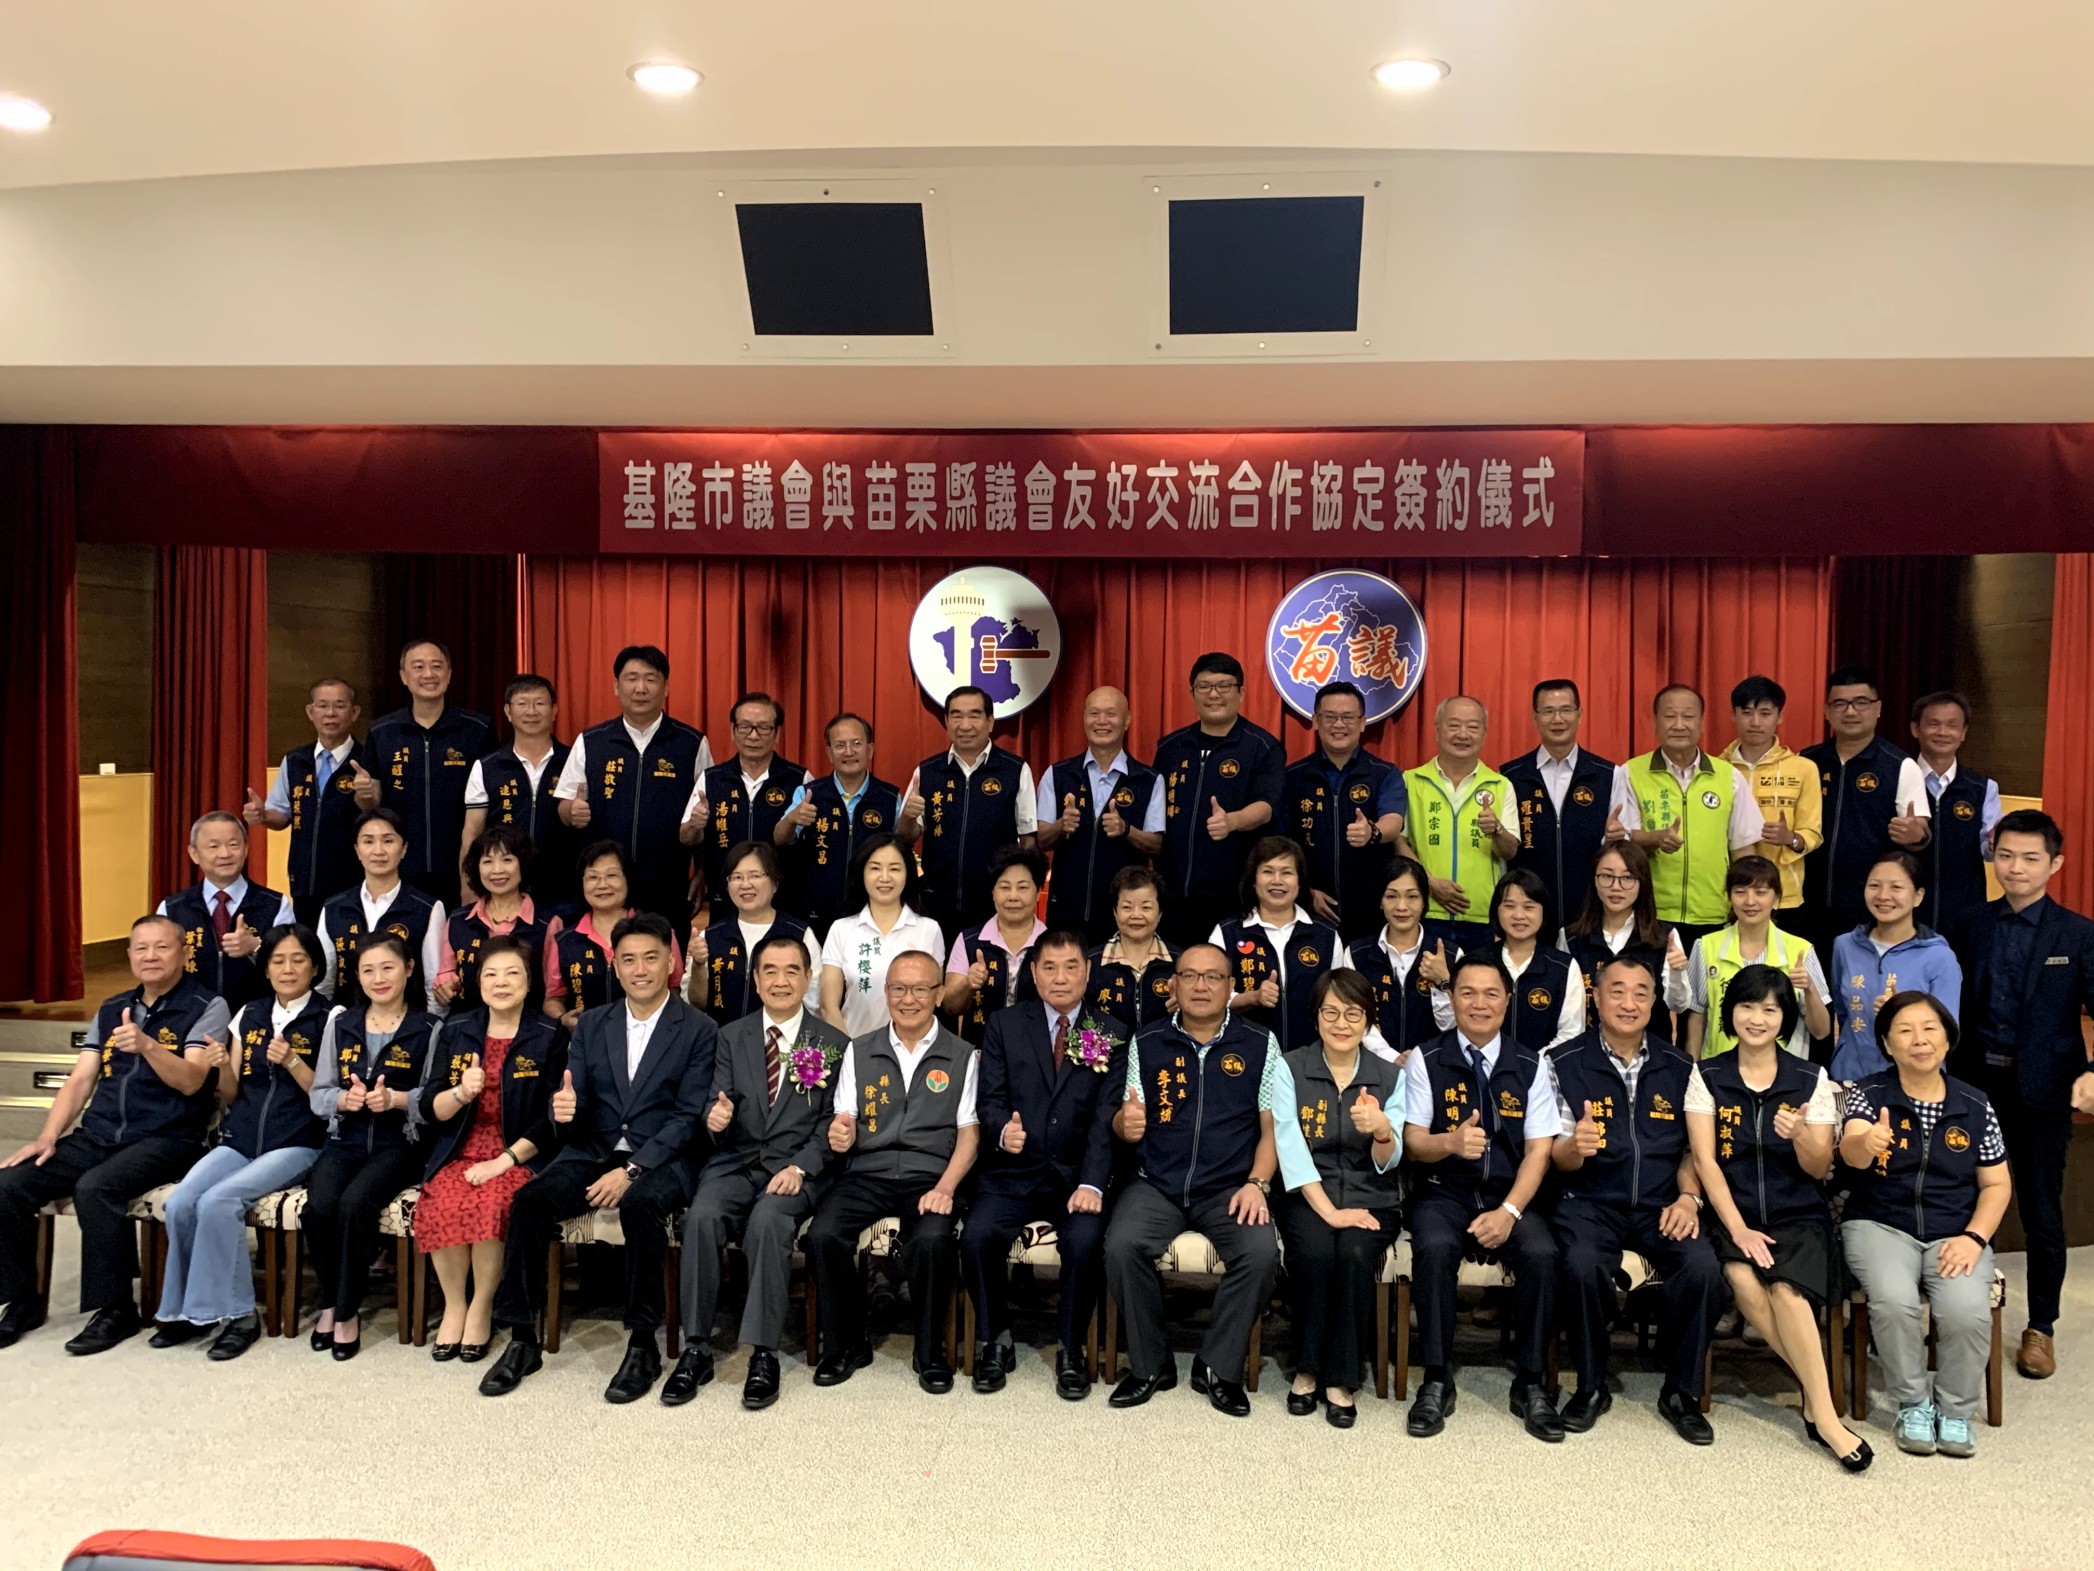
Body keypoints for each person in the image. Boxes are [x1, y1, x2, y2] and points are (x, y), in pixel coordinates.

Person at [480, 913, 718, 1403]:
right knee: (530, 1200)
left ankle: (642, 1343)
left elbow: (688, 1117)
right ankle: (522, 1338)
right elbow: (574, 1101)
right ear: (615, 966)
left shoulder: (699, 1029)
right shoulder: (591, 1023)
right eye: (628, 960)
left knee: (641, 1203)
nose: (640, 969)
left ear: (670, 963)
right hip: (594, 1149)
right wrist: (563, 1110)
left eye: (651, 958)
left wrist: (633, 1170)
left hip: (664, 1157)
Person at [0, 915, 227, 1353]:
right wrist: (47, 1136)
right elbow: (80, 1079)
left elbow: (193, 1081)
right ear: (129, 955)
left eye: (162, 947)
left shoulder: (206, 1005)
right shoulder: (113, 1008)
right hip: (100, 1133)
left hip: (169, 1137)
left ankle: (115, 1308)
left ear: (183, 952)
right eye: (141, 948)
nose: (150, 956)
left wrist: (147, 1045)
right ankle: (22, 1299)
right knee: (10, 1183)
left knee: (96, 1187)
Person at [1686, 964, 1869, 1470]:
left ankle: (1823, 1416)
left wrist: (1803, 1136)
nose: (1757, 1018)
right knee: (1743, 1279)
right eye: (1747, 1006)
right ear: (1731, 1013)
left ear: (1785, 1017)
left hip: (1797, 1213)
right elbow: (1705, 1162)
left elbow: (1819, 1166)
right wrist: (1738, 1229)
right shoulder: (1707, 1076)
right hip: (1733, 1212)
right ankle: (1821, 1399)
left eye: (1770, 1009)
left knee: (1787, 1291)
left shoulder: (1810, 1078)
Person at [1549, 952, 1727, 1445]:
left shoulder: (1681, 1066)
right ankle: (1591, 1385)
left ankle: (1681, 1392)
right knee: (1581, 1265)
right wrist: (1575, 1147)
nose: (1629, 1003)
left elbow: (1693, 1150)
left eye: (1641, 993)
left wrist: (1689, 1197)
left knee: (1704, 1270)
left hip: (1661, 1205)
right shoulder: (1562, 1062)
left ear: (1654, 1002)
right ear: (1596, 998)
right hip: (1588, 1200)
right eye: (1617, 991)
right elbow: (1554, 1155)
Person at [1943, 809, 2094, 1381]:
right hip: (1972, 1087)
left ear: (2055, 864)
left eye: (2031, 858)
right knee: (1957, 1200)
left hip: (2043, 1090)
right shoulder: (1968, 924)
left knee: (2040, 1210)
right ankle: (1955, 1314)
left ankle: (2041, 1326)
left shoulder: (2078, 934)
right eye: (2005, 856)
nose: (2016, 868)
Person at [669, 933, 849, 1410]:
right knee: (702, 1216)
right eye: (770, 970)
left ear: (808, 978)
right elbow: (716, 1100)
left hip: (796, 1169)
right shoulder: (731, 1036)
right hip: (737, 1161)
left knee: (769, 1221)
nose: (780, 981)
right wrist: (715, 1118)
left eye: (792, 971)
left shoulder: (833, 1043)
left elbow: (834, 1120)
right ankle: (696, 1347)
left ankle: (764, 1353)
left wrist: (801, 1166)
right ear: (755, 978)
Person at [1104, 942, 1282, 1418]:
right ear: (1174, 984)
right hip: (1157, 1183)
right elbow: (1127, 1116)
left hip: (1230, 1187)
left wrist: (1257, 1184)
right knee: (1121, 1245)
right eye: (1190, 976)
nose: (1201, 986)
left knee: (1260, 1253)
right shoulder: (1148, 1041)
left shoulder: (1259, 1043)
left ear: (1230, 986)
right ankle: (1151, 1364)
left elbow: (1273, 1128)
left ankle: (1217, 1366)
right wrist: (1124, 1124)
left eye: (1213, 977)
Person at [1840, 991, 2012, 1458]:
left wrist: (1974, 1238)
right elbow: (1851, 1151)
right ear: (1887, 1044)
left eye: (1929, 1028)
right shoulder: (1867, 1094)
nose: (1919, 1039)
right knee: (1894, 1302)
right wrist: (1867, 1143)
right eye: (1905, 1030)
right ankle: (1913, 1403)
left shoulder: (1975, 1104)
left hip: (1955, 1231)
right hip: (1880, 1224)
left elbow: (1997, 1184)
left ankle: (1955, 1410)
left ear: (1948, 1039)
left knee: (1965, 1309)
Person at [1402, 953, 1565, 1441]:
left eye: (1491, 993)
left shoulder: (1531, 1064)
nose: (1479, 1003)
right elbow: (1413, 1142)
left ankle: (1530, 1381)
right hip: (1443, 1192)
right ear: (1452, 998)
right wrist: (1450, 1143)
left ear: (1507, 1000)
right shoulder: (1426, 1059)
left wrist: (1509, 1211)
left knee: (1542, 1253)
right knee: (1434, 1248)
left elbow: (1540, 1151)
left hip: (1510, 1194)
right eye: (1467, 992)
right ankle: (1436, 1377)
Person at [152, 923, 329, 1362]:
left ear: (315, 967)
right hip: (241, 1137)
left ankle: (239, 1315)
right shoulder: (248, 1013)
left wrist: (293, 1061)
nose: (288, 969)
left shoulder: (332, 1017)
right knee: (181, 1201)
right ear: (265, 969)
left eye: (299, 960)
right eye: (278, 960)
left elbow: (328, 1099)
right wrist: (220, 1067)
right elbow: (231, 1093)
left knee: (220, 1201)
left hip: (298, 1141)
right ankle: (189, 1311)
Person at [807, 950, 980, 1395]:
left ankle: (930, 1351)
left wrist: (946, 1187)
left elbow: (969, 1134)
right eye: (899, 989)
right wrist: (841, 1133)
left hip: (930, 1175)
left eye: (920, 989)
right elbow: (843, 1118)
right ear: (885, 993)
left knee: (932, 1240)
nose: (908, 999)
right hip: (868, 1172)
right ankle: (846, 1344)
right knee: (823, 1234)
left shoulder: (962, 1055)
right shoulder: (860, 1049)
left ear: (938, 995)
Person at [964, 932, 1126, 1400]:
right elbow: (989, 1099)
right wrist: (1002, 1131)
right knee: (977, 1236)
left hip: (1075, 1176)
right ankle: (995, 1339)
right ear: (1033, 974)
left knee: (1084, 1241)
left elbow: (1106, 1118)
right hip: (1013, 1171)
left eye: (1071, 966)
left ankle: (1071, 1348)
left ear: (1087, 972)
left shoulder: (1112, 1031)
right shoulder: (1005, 1024)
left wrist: (1093, 1183)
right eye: (1049, 967)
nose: (1060, 977)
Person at [413, 937, 567, 1365]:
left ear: (529, 981)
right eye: (491, 974)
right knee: (443, 1198)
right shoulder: (457, 1028)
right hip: (458, 1149)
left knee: (494, 1201)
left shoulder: (548, 1034)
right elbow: (429, 1107)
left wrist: (504, 1161)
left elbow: (551, 1118)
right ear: (478, 982)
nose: (501, 983)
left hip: (517, 1151)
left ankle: (481, 1305)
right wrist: (461, 1093)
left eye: (512, 973)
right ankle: (454, 1306)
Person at [1273, 970, 1403, 1428]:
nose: (1341, 1024)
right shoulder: (1289, 1067)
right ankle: (1307, 1368)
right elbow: (1289, 1145)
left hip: (1372, 1196)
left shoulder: (1389, 1076)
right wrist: (1329, 1211)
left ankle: (1342, 1378)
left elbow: (1391, 1159)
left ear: (1368, 1020)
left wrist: (1382, 1131)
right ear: (1315, 1017)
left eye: (1353, 1014)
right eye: (1330, 1013)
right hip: (1308, 1195)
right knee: (1313, 1252)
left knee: (1353, 1253)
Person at [302, 936, 438, 1360]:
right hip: (345, 1139)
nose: (379, 978)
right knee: (318, 1206)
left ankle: (345, 1312)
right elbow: (319, 1093)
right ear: (357, 977)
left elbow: (433, 1098)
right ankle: (329, 1301)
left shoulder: (429, 1028)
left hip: (400, 1145)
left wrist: (396, 1100)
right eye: (368, 970)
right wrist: (344, 1100)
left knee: (355, 1204)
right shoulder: (341, 1023)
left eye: (388, 967)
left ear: (409, 970)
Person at [553, 644, 714, 930]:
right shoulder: (591, 742)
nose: (641, 688)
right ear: (616, 686)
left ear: (665, 687)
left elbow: (704, 814)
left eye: (651, 679)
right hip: (604, 888)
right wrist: (571, 812)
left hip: (667, 886)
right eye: (632, 678)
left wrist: (703, 871)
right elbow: (564, 805)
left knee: (665, 955)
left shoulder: (691, 743)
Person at [1801, 666, 1932, 970]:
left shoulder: (1900, 765)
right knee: (1807, 988)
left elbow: (1921, 835)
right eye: (1840, 703)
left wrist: (1916, 835)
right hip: (1807, 903)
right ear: (1826, 711)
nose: (1850, 711)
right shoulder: (1806, 762)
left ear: (1878, 708)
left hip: (1870, 906)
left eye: (1861, 702)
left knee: (1859, 987)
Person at [1153, 653, 1285, 949]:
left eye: (1224, 686)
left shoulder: (1262, 747)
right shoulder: (1170, 748)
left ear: (1241, 692)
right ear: (1192, 693)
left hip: (1232, 898)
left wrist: (1232, 821)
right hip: (1171, 896)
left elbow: (1266, 807)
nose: (1214, 695)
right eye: (1204, 686)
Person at [1620, 684, 1766, 951]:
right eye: (1669, 716)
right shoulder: (1630, 773)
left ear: (1701, 723)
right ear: (1654, 723)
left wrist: (1745, 903)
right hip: (1650, 912)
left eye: (1688, 716)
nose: (1679, 725)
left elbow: (1743, 849)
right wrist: (1655, 839)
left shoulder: (1729, 777)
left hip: (1713, 911)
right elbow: (1622, 843)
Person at [355, 639, 495, 908]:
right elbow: (370, 805)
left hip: (462, 866)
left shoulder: (478, 729)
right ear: (403, 676)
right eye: (418, 667)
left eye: (436, 666)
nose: (428, 674)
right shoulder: (382, 731)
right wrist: (363, 795)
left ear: (449, 674)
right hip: (400, 867)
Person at [897, 685, 1038, 937]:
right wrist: (908, 815)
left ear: (990, 721)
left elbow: (1028, 840)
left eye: (974, 715)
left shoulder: (1015, 770)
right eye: (956, 716)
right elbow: (906, 837)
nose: (965, 725)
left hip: (994, 905)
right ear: (946, 721)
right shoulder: (927, 772)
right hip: (935, 903)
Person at [1499, 679, 1630, 932]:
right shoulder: (1510, 776)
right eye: (1548, 711)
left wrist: (1616, 837)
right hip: (1527, 912)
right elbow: (1504, 851)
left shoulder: (1608, 774)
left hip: (1590, 909)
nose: (1557, 719)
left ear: (1580, 715)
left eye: (1566, 710)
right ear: (1535, 718)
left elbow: (1622, 845)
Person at [1037, 686, 1165, 944]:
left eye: (1111, 714)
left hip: (1124, 913)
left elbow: (1156, 845)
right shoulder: (1058, 774)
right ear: (1084, 718)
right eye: (1094, 713)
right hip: (1066, 909)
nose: (1102, 721)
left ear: (1127, 720)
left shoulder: (1148, 779)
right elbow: (1040, 839)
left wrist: (1126, 830)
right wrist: (1062, 825)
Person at [1285, 680, 1407, 942]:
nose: (1339, 725)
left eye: (1348, 717)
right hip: (1311, 910)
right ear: (1316, 721)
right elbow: (1282, 843)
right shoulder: (1293, 777)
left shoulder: (1384, 774)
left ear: (1362, 722)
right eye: (1330, 717)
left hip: (1372, 911)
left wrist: (1372, 831)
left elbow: (1393, 821)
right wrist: (1305, 891)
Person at [1829, 850, 1963, 1083]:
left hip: (1911, 1081)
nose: (1883, 895)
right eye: (1874, 886)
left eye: (1896, 887)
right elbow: (1842, 1013)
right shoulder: (1845, 945)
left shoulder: (1939, 956)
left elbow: (1947, 1032)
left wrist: (1902, 1012)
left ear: (1918, 896)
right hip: (1850, 1076)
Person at [245, 676, 366, 928]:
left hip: (354, 883)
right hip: (305, 884)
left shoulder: (366, 760)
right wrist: (263, 816)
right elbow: (282, 815)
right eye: (322, 705)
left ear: (354, 712)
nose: (330, 713)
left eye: (340, 705)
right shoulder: (295, 761)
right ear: (310, 712)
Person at [774, 711, 905, 942]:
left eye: (856, 743)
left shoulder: (889, 796)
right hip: (815, 910)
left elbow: (902, 846)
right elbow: (779, 838)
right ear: (829, 753)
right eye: (840, 745)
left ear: (870, 749)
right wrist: (792, 819)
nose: (849, 751)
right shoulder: (809, 793)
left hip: (871, 910)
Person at [1403, 696, 1519, 954]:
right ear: (1437, 730)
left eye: (1473, 727)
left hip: (1482, 916)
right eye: (1454, 725)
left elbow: (1510, 851)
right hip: (1424, 911)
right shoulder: (1411, 781)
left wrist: (1497, 830)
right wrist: (1429, 882)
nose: (1463, 734)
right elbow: (1399, 842)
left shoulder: (1500, 785)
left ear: (1484, 734)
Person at [1682, 857, 1830, 1059]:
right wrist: (1694, 1068)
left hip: (1783, 1071)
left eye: (1761, 892)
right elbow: (1697, 1016)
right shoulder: (1706, 946)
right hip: (1719, 1069)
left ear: (1776, 898)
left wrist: (1810, 989)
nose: (1750, 901)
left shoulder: (1800, 950)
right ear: (1729, 897)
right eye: (1740, 892)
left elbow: (1822, 1031)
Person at [1212, 836, 1349, 1053]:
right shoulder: (1228, 932)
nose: (1277, 881)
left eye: (1287, 873)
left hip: (1311, 1055)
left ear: (1300, 881)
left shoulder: (1326, 935)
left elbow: (1341, 999)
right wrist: (1252, 997)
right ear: (1253, 880)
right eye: (1268, 871)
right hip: (1245, 1054)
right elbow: (1211, 996)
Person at [461, 674, 577, 917]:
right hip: (502, 895)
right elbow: (472, 833)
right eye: (522, 703)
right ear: (508, 711)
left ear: (554, 710)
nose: (531, 711)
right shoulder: (487, 767)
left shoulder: (574, 761)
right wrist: (468, 891)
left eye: (540, 703)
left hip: (563, 892)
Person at [1431, 869, 1585, 1053]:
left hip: (1545, 1069)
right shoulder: (1475, 961)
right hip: (1480, 1066)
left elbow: (1571, 1034)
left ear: (1544, 911)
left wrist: (1533, 1065)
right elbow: (1453, 1025)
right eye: (1509, 906)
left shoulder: (1563, 967)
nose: (1519, 915)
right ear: (1496, 910)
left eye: (1529, 907)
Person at [157, 810, 294, 1011]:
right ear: (194, 854)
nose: (225, 854)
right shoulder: (172, 908)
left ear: (246, 848)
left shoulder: (275, 904)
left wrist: (257, 947)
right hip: (191, 1015)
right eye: (213, 846)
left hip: (256, 1016)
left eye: (233, 845)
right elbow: (159, 967)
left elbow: (293, 965)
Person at [542, 840, 684, 1028]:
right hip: (586, 1038)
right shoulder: (565, 941)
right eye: (593, 877)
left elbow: (674, 989)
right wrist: (563, 1019)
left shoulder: (658, 933)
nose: (602, 885)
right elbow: (553, 998)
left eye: (611, 875)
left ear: (628, 880)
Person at [817, 834, 946, 1039]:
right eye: (875, 868)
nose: (884, 878)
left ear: (908, 873)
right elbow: (828, 1007)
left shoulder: (929, 929)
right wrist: (851, 1051)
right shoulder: (841, 929)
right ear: (862, 872)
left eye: (894, 869)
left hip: (913, 1048)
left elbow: (933, 998)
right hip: (854, 1046)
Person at [1560, 841, 1691, 1041]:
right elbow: (1567, 1010)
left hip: (1650, 1051)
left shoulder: (1664, 936)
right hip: (1589, 1050)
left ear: (1642, 882)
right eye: (1607, 876)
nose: (1616, 887)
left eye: (1627, 878)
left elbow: (1678, 1005)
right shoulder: (1571, 938)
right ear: (1594, 880)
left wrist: (1677, 972)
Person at [694, 691, 809, 917]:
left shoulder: (799, 779)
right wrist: (694, 825)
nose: (753, 736)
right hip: (725, 899)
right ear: (733, 731)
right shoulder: (711, 779)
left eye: (763, 728)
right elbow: (687, 837)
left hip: (783, 901)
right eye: (745, 727)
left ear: (777, 733)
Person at [316, 808, 445, 1001]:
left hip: (407, 1017)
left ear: (404, 849)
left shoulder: (427, 908)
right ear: (357, 850)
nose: (378, 851)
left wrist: (431, 1019)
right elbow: (323, 983)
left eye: (388, 841)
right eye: (368, 841)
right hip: (347, 1017)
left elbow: (433, 983)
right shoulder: (333, 908)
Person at [1720, 676, 1822, 915]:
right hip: (1726, 894)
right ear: (1733, 715)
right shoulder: (1716, 769)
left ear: (1780, 716)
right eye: (1746, 713)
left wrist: (1790, 838)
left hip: (1784, 896)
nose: (1755, 722)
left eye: (1765, 713)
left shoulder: (1803, 768)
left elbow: (1813, 833)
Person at [688, 840, 817, 1027]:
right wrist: (698, 965)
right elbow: (696, 1004)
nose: (745, 884)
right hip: (722, 1041)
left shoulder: (799, 935)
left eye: (755, 875)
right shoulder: (711, 936)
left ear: (775, 882)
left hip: (780, 1040)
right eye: (736, 877)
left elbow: (814, 1001)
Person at [1909, 690, 2002, 934]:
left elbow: (1989, 852)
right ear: (1916, 729)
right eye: (1934, 724)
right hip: (1904, 913)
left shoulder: (1983, 788)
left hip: (1965, 914)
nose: (1943, 732)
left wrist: (1998, 843)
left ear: (1963, 733)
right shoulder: (1897, 779)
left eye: (1952, 725)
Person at [433, 826, 547, 1013]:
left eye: (507, 860)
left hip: (527, 1025)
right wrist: (445, 988)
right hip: (467, 1023)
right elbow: (445, 975)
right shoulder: (458, 920)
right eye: (487, 861)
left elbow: (554, 992)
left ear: (523, 864)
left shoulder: (546, 924)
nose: (497, 870)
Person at [941, 845, 1048, 1044]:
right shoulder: (969, 940)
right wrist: (968, 984)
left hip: (1036, 1053)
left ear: (1038, 892)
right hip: (980, 1050)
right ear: (992, 892)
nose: (1013, 896)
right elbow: (949, 1006)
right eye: (1004, 887)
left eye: (1023, 887)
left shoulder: (1052, 944)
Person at [1347, 856, 1443, 1063]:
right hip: (1372, 1067)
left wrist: (1444, 983)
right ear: (1380, 901)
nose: (1401, 906)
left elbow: (1454, 1026)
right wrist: (1391, 1057)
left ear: (1425, 900)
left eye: (1412, 896)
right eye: (1391, 896)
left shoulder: (1449, 955)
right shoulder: (1356, 954)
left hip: (1433, 1067)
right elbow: (1351, 1014)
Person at [1086, 867, 1176, 1035]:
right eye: (1127, 907)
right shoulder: (1089, 962)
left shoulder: (1181, 963)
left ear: (1160, 913)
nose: (1136, 915)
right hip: (1107, 1051)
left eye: (1146, 908)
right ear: (1115, 912)